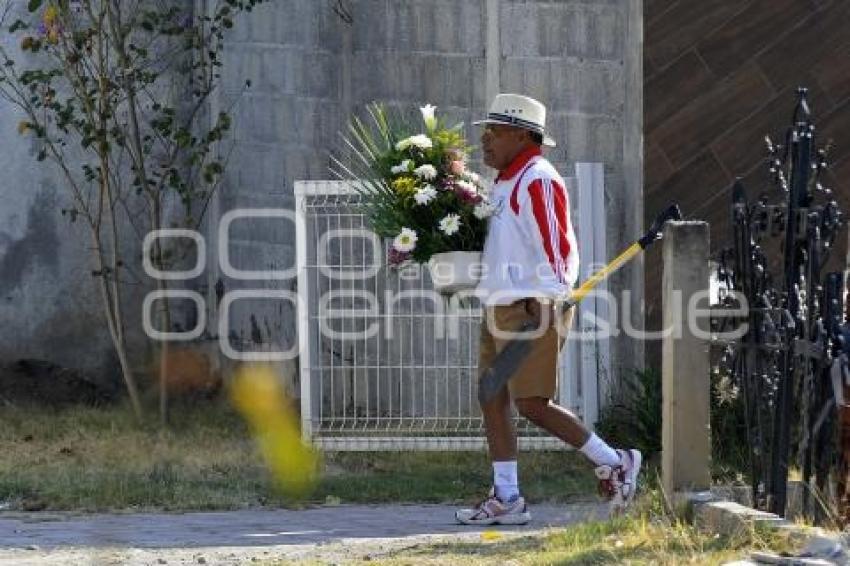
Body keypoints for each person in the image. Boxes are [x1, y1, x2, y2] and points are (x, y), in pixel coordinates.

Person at [455, 93, 641, 526]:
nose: (485, 140)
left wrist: (550, 297)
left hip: (532, 306)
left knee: (533, 403)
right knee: (492, 396)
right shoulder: (503, 182)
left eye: (495, 131)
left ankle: (616, 461)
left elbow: (559, 248)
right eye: (486, 130)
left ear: (522, 135)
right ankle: (507, 497)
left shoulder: (537, 178)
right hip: (498, 304)